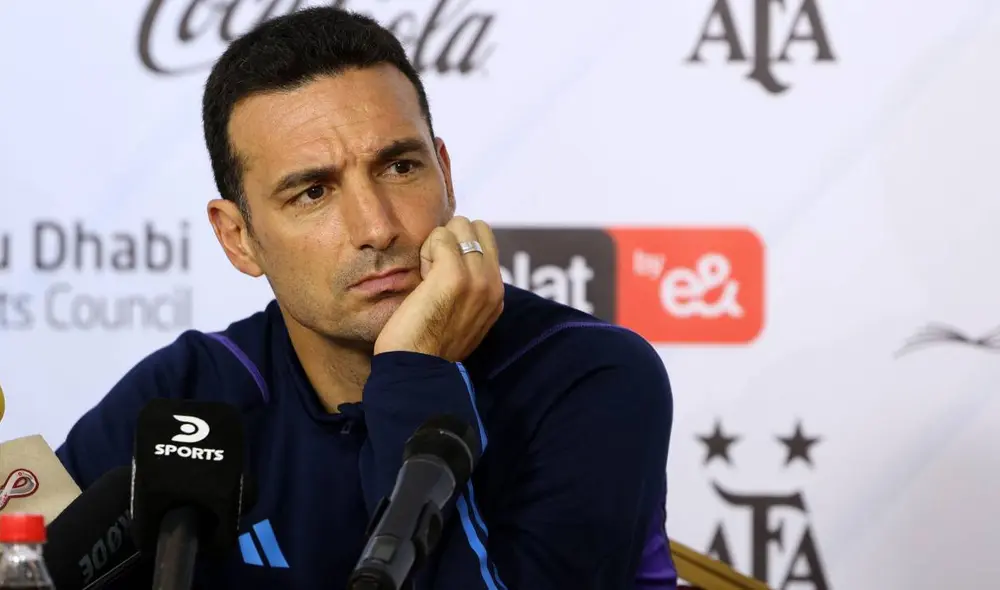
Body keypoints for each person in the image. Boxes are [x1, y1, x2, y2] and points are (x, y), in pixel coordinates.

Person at [55, 7, 676, 589]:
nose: (376, 227)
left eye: (399, 168)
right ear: (239, 238)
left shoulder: (587, 376)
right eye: (313, 193)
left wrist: (414, 369)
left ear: (446, 175)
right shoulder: (192, 394)